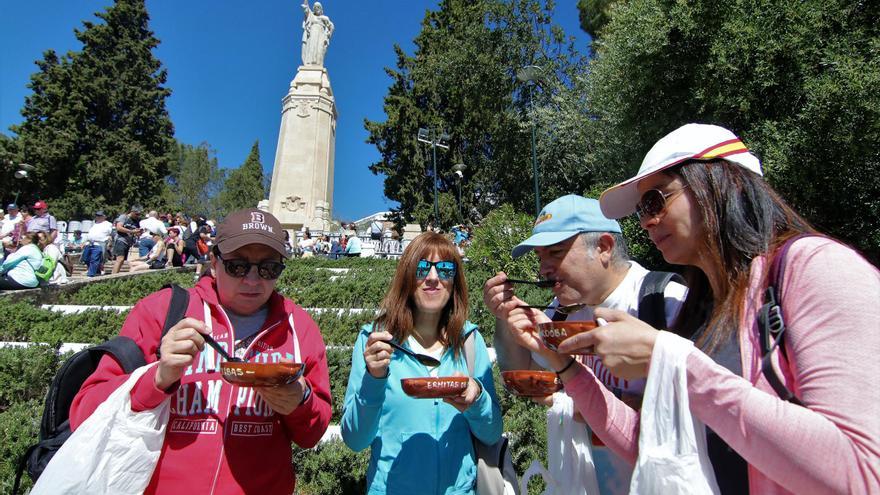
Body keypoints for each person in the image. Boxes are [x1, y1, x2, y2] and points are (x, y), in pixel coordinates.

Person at [502, 124, 880, 494]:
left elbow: (864, 474)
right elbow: (654, 447)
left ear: (720, 182)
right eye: (641, 210)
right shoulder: (704, 307)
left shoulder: (816, 268)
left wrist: (672, 360)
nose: (647, 222)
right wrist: (565, 366)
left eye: (655, 201)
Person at [69, 208, 332, 493]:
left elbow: (312, 434)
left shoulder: (299, 327)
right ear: (214, 262)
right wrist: (157, 378)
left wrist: (300, 402)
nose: (253, 280)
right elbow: (84, 413)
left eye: (269, 268)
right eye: (238, 266)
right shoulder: (162, 311)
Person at [483, 194, 687, 493]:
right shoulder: (560, 312)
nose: (543, 269)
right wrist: (505, 316)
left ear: (604, 247)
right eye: (540, 257)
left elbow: (706, 412)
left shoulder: (665, 302)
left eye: (555, 252)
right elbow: (523, 374)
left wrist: (596, 405)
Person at [341, 232, 502, 494]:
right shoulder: (375, 342)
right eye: (422, 267)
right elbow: (355, 439)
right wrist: (374, 378)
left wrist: (477, 401)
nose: (433, 277)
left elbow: (492, 433)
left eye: (446, 269)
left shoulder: (470, 342)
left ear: (455, 281)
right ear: (407, 276)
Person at [300, 0, 334, 66]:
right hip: (312, 34)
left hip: (321, 35)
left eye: (318, 7)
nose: (316, 8)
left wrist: (329, 34)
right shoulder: (312, 16)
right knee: (311, 48)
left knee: (320, 50)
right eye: (315, 7)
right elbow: (306, 9)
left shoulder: (325, 18)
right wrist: (306, 2)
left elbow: (332, 26)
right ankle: (309, 63)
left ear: (321, 9)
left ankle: (318, 64)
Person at [112, 206, 143, 274]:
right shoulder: (124, 217)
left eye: (139, 214)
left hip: (128, 242)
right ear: (132, 211)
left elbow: (135, 232)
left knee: (122, 261)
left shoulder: (137, 221)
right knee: (120, 259)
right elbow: (119, 227)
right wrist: (131, 231)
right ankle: (112, 277)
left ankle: (115, 275)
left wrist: (138, 232)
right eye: (136, 214)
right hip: (121, 240)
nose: (138, 216)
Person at [82, 211, 114, 277]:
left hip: (99, 243)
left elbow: (111, 234)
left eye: (99, 216)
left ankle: (90, 274)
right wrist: (84, 242)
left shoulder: (108, 224)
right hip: (89, 243)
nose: (97, 217)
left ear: (104, 216)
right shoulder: (94, 223)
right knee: (86, 258)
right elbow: (90, 234)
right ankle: (97, 271)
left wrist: (109, 243)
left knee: (95, 259)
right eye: (97, 216)